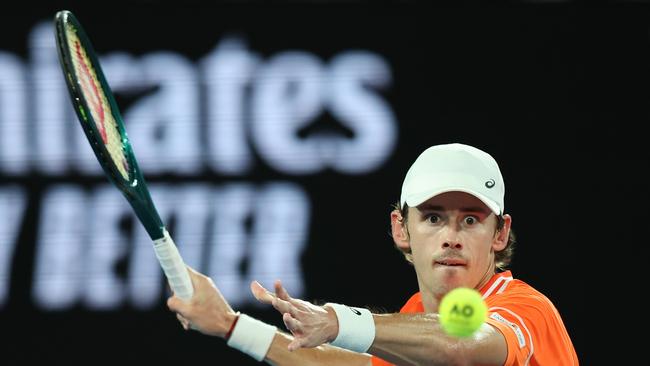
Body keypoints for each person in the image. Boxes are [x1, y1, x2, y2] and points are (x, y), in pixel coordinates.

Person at [167, 143, 579, 365]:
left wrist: (337, 321)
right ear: (402, 230)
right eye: (433, 218)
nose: (452, 237)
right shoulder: (415, 320)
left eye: (470, 221)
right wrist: (230, 324)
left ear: (499, 234)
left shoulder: (528, 310)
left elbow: (461, 349)